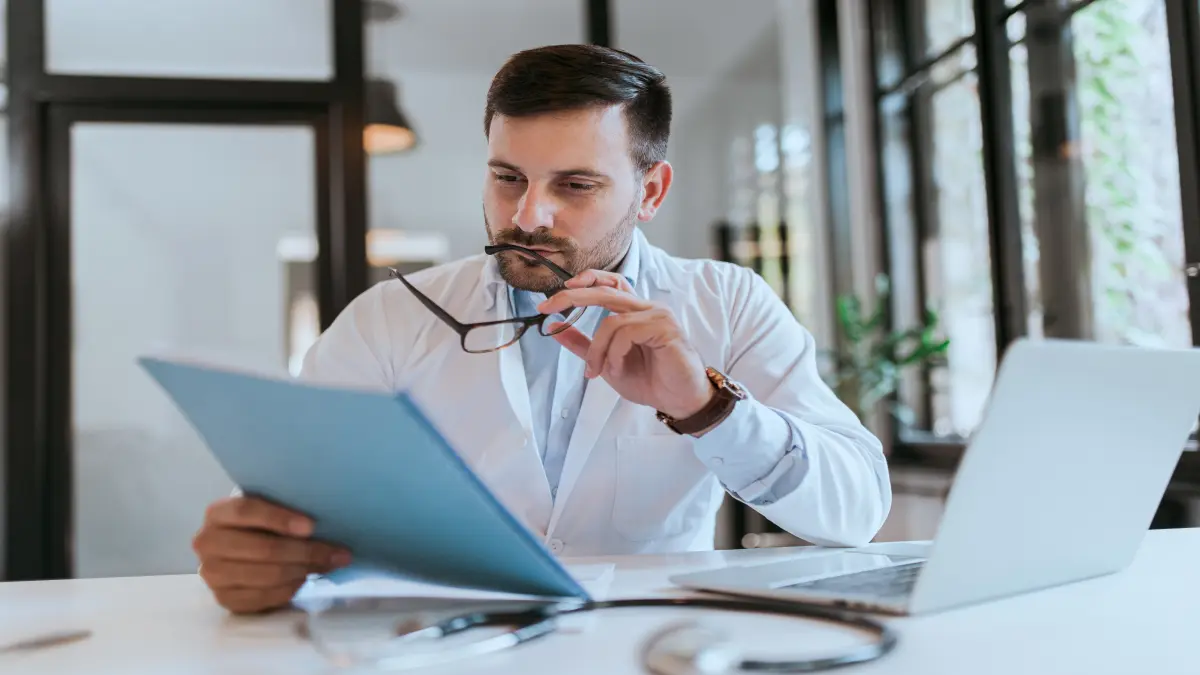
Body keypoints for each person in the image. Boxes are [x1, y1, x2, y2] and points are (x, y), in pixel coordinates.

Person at [191, 44, 892, 614]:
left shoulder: (725, 303)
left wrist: (705, 406)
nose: (529, 215)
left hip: (644, 649)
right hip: (441, 647)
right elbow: (291, 501)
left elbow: (854, 510)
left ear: (649, 191)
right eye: (507, 177)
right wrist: (255, 549)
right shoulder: (389, 317)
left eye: (574, 185)